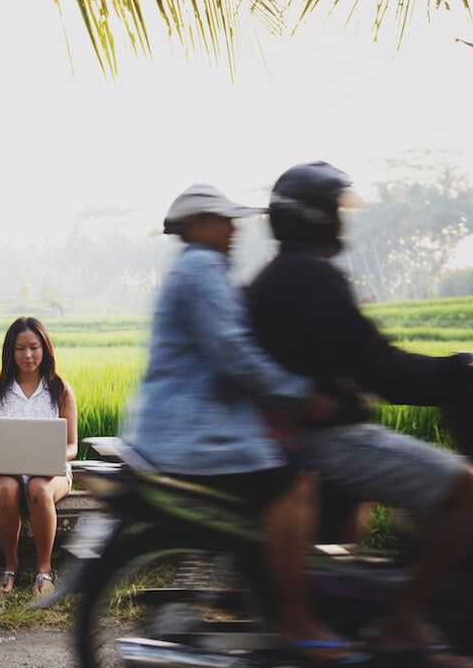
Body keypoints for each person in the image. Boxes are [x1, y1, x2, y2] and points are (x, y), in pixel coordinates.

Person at [246, 162, 473, 668]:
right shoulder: (312, 277)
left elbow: (355, 361)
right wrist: (462, 372)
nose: (343, 223)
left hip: (297, 437)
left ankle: (370, 615)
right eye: (335, 212)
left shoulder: (277, 276)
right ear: (317, 218)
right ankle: (402, 624)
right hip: (325, 440)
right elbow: (378, 366)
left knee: (391, 504)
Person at [120, 184, 365, 665]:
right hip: (195, 436)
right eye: (223, 221)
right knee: (294, 483)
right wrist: (300, 393)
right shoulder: (201, 271)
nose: (233, 229)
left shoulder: (201, 271)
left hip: (191, 431)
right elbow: (234, 354)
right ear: (197, 226)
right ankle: (296, 619)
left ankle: (286, 597)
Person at [0, 316, 78, 596]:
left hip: (52, 472)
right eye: (20, 348)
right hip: (5, 471)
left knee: (38, 486)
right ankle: (10, 566)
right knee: (7, 487)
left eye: (34, 347)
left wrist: (53, 461)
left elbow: (72, 446)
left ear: (45, 349)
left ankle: (44, 570)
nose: (28, 355)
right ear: (10, 352)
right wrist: (2, 464)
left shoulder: (60, 389)